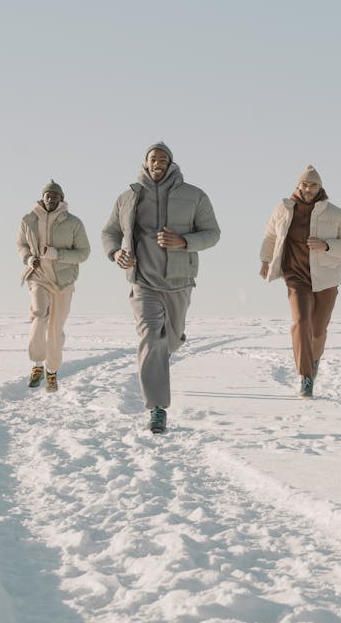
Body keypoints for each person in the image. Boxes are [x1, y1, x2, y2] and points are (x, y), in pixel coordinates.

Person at [102, 142, 220, 434]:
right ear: (145, 163)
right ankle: (157, 408)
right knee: (152, 337)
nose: (158, 162)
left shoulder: (194, 195)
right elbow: (110, 232)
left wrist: (184, 242)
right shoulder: (128, 196)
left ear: (171, 164)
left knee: (171, 339)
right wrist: (116, 253)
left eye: (163, 159)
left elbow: (212, 233)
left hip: (179, 280)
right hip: (142, 280)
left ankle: (172, 342)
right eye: (153, 158)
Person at [259, 165, 341, 399]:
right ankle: (305, 377)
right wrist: (265, 260)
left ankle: (314, 359)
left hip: (326, 278)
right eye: (304, 184)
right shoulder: (282, 209)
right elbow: (271, 237)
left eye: (313, 185)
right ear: (298, 186)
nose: (308, 189)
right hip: (295, 276)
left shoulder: (335, 213)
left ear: (320, 187)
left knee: (318, 329)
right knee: (301, 322)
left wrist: (327, 245)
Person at [17, 180, 90, 391]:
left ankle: (52, 371)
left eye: (55, 196)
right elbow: (21, 245)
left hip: (63, 281)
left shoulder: (74, 223)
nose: (51, 199)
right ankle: (37, 364)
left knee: (55, 328)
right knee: (39, 315)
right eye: (48, 195)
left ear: (61, 199)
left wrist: (57, 254)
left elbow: (83, 253)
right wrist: (29, 259)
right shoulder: (28, 220)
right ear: (43, 197)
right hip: (38, 277)